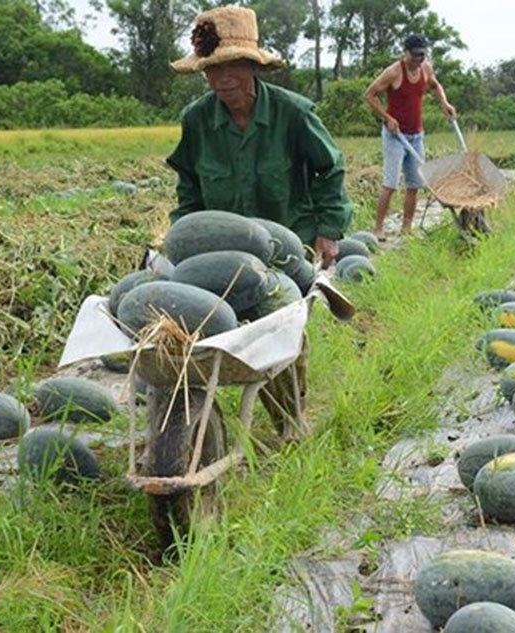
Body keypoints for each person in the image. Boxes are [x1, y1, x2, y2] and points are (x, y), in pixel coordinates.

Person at [166, 5, 354, 440]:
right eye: (212, 70)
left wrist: (328, 228)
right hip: (221, 252)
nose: (222, 79)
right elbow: (190, 187)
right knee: (224, 333)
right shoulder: (196, 120)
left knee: (284, 336)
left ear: (252, 65)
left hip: (287, 248)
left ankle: (289, 422)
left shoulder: (293, 112)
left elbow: (330, 168)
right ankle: (193, 425)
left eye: (233, 66)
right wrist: (182, 238)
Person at [363, 34, 457, 240]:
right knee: (390, 184)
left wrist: (444, 103)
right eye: (415, 55)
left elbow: (435, 85)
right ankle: (378, 228)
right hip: (395, 136)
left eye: (422, 55)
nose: (419, 59)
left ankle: (406, 228)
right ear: (405, 53)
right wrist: (387, 118)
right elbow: (369, 94)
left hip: (416, 135)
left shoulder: (426, 68)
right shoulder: (393, 72)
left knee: (414, 185)